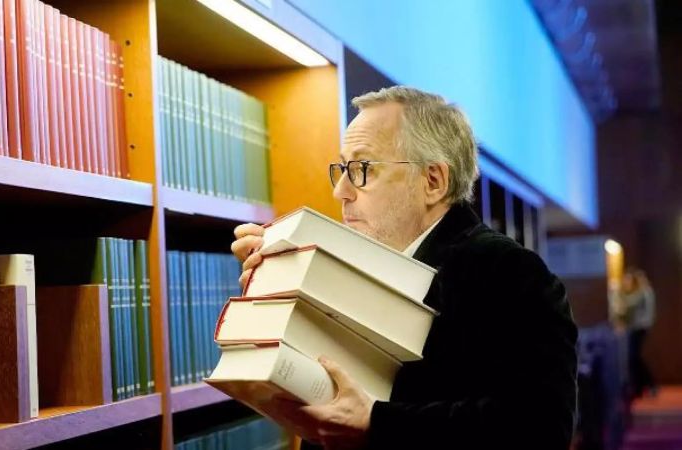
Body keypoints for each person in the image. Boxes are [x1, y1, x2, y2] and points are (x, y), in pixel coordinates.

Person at [230, 86, 578, 450]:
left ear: (432, 181)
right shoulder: (352, 271)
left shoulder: (510, 272)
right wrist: (276, 296)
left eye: (363, 168)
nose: (341, 192)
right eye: (343, 169)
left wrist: (377, 425)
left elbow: (540, 427)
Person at [622, 268, 657, 398]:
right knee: (634, 358)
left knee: (634, 357)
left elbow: (630, 302)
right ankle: (641, 387)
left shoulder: (644, 292)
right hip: (638, 327)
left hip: (640, 327)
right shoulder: (644, 291)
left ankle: (649, 384)